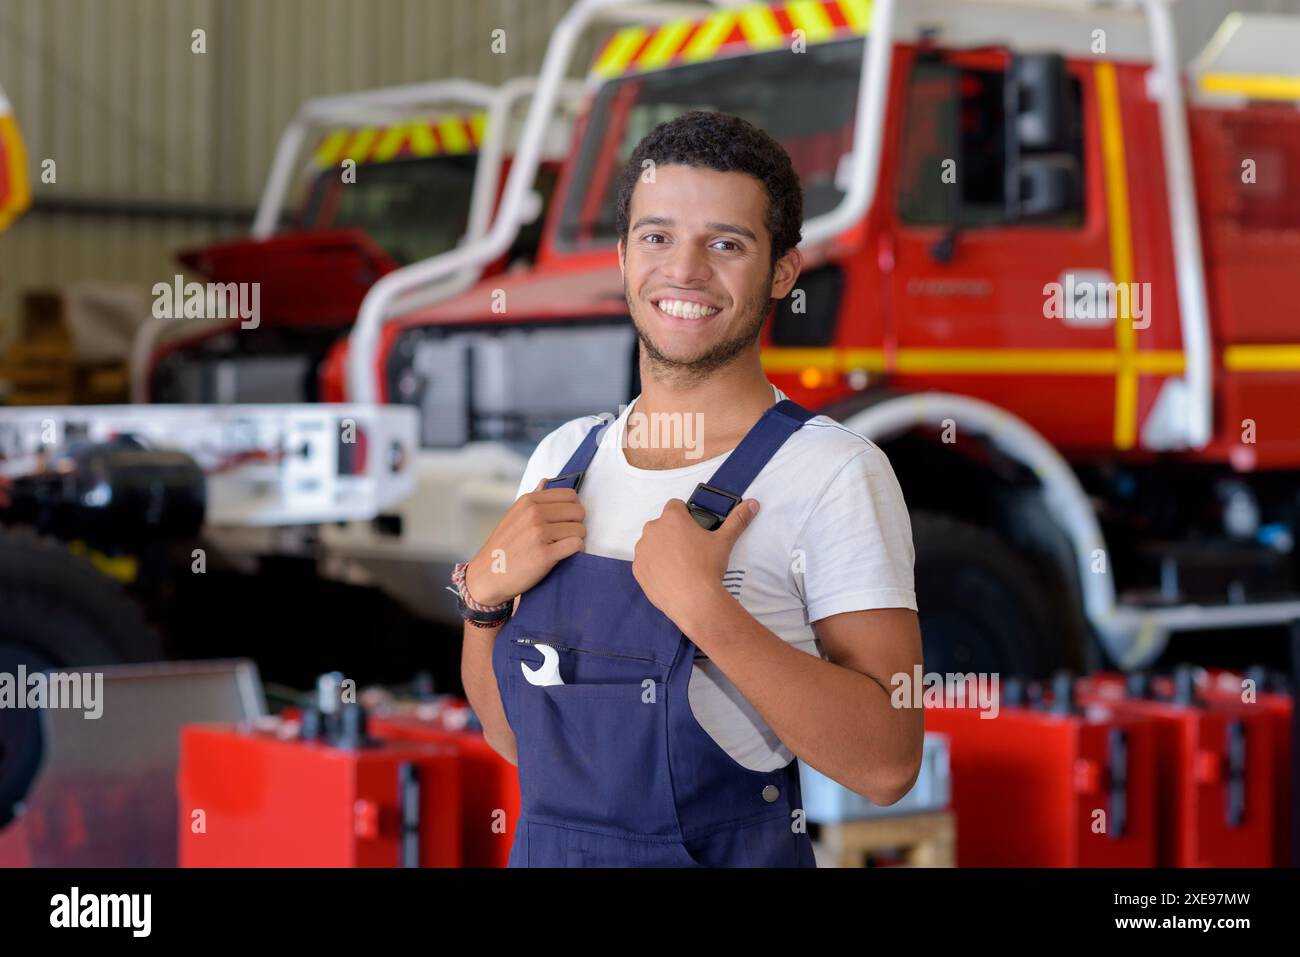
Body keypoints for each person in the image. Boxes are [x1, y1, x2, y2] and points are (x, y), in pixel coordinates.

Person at [455, 111, 922, 867]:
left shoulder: (834, 473)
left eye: (726, 244)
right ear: (621, 255)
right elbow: (516, 740)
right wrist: (480, 606)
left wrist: (707, 610)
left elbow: (888, 762)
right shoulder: (560, 458)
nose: (685, 271)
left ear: (781, 271)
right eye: (657, 236)